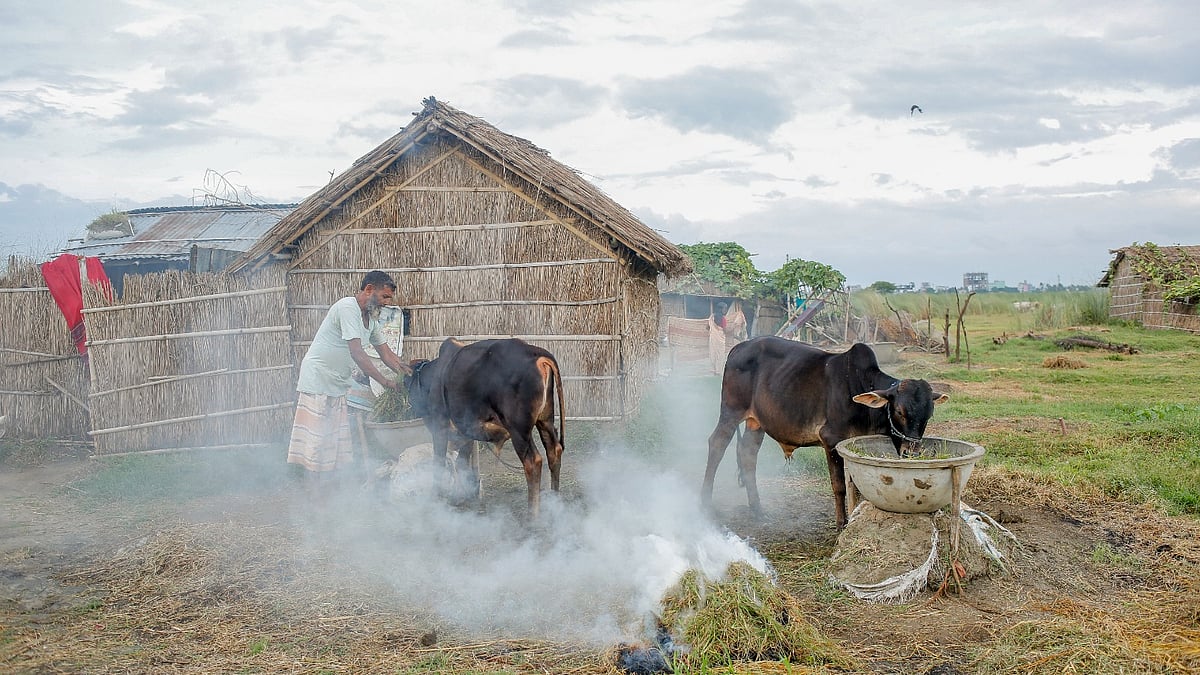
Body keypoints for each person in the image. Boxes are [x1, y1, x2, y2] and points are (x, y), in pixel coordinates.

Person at [286, 270, 411, 488]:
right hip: (318, 380)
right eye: (384, 297)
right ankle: (315, 499)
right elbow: (357, 353)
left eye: (388, 299)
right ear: (369, 289)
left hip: (336, 384)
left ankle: (328, 492)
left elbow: (386, 354)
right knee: (316, 443)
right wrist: (386, 382)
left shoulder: (370, 319)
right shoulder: (347, 307)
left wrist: (407, 372)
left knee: (331, 443)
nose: (386, 303)